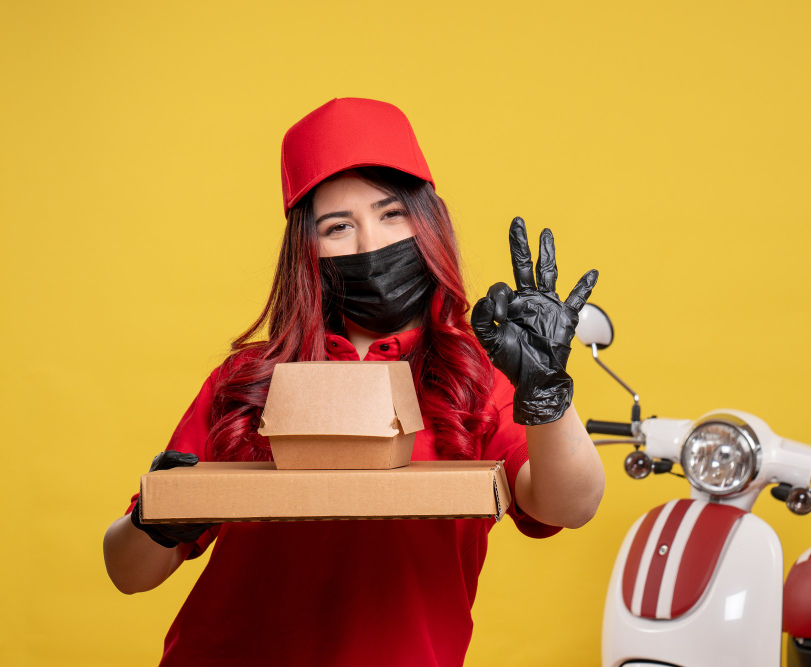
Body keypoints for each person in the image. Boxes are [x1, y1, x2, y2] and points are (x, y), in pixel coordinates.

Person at [102, 97, 605, 666]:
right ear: (307, 250)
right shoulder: (247, 382)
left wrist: (546, 391)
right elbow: (128, 572)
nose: (371, 245)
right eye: (338, 226)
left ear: (429, 223)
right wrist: (159, 517)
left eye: (392, 214)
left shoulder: (478, 379)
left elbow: (572, 504)